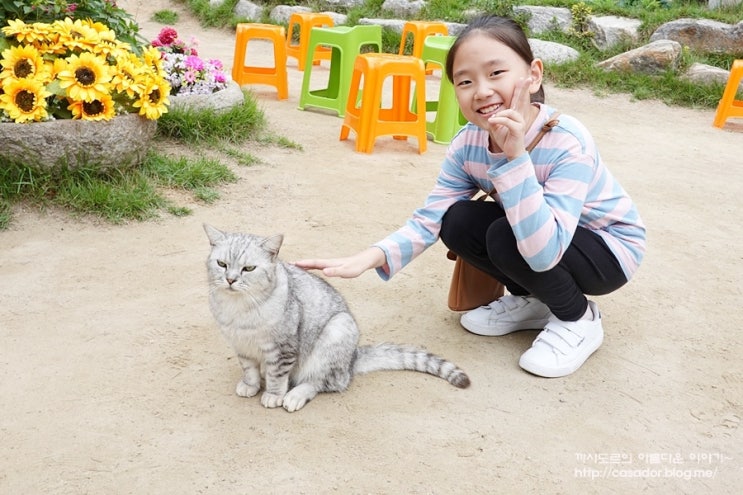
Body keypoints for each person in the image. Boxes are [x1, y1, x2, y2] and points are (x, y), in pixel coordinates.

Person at [295, 15, 646, 378]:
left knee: (506, 232)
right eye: (465, 81)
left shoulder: (567, 141)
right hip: (543, 243)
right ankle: (536, 301)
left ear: (533, 75)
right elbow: (432, 215)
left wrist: (516, 157)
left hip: (607, 251)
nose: (481, 90)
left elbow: (545, 251)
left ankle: (578, 318)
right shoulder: (468, 144)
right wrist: (369, 257)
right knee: (458, 219)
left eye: (496, 73)